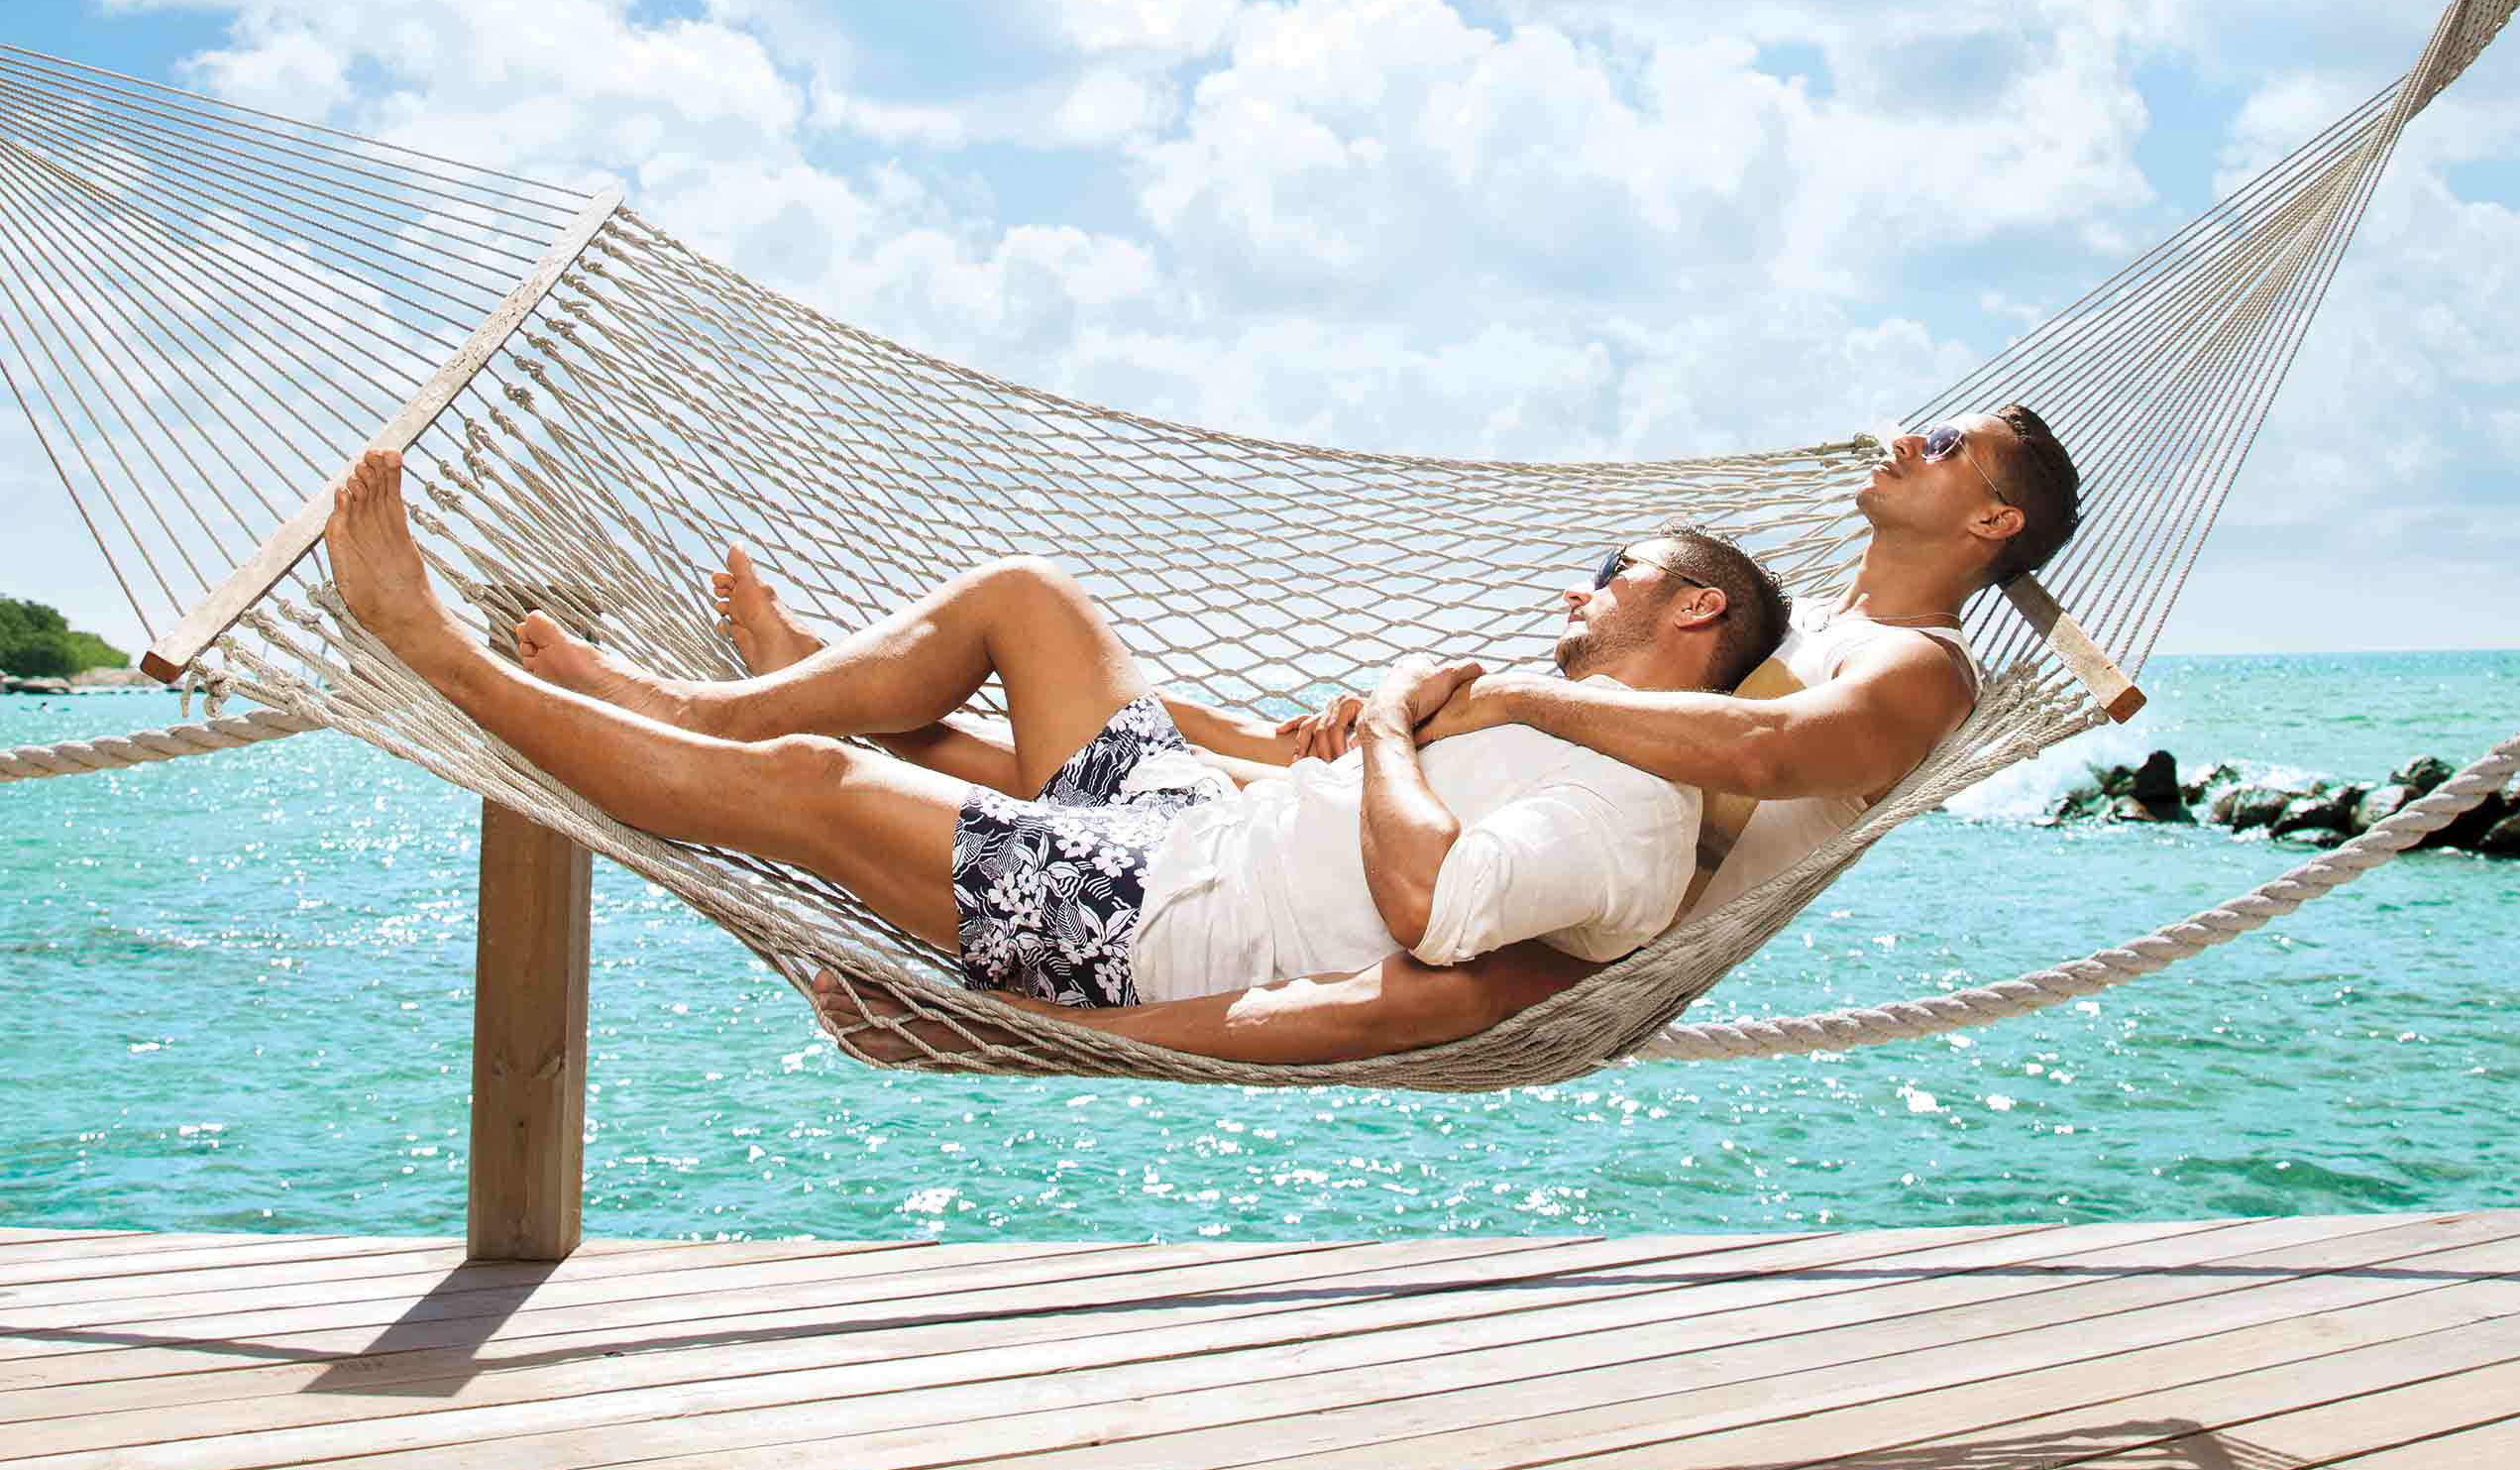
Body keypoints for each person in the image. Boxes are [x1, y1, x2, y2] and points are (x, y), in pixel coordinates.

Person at [813, 404, 2082, 1066]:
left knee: (1420, 991)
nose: (1910, 440)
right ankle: (841, 697)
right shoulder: (1798, 626)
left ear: (1992, 526)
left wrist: (1513, 703)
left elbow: (1764, 761)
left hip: (1617, 934)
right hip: (1555, 834)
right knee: (1189, 769)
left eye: (1949, 446)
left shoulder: (1919, 669)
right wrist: (1422, 731)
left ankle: (1016, 1039)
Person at [317, 449, 1788, 1012]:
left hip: (1158, 920)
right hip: (1194, 819)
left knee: (818, 786)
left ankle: (432, 647)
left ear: (1698, 612)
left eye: (1614, 570)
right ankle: (719, 694)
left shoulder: (1630, 820)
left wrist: (1399, 720)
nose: (1578, 586)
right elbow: (1328, 779)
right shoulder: (1557, 724)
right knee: (1033, 599)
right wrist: (1340, 731)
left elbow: (1428, 901)